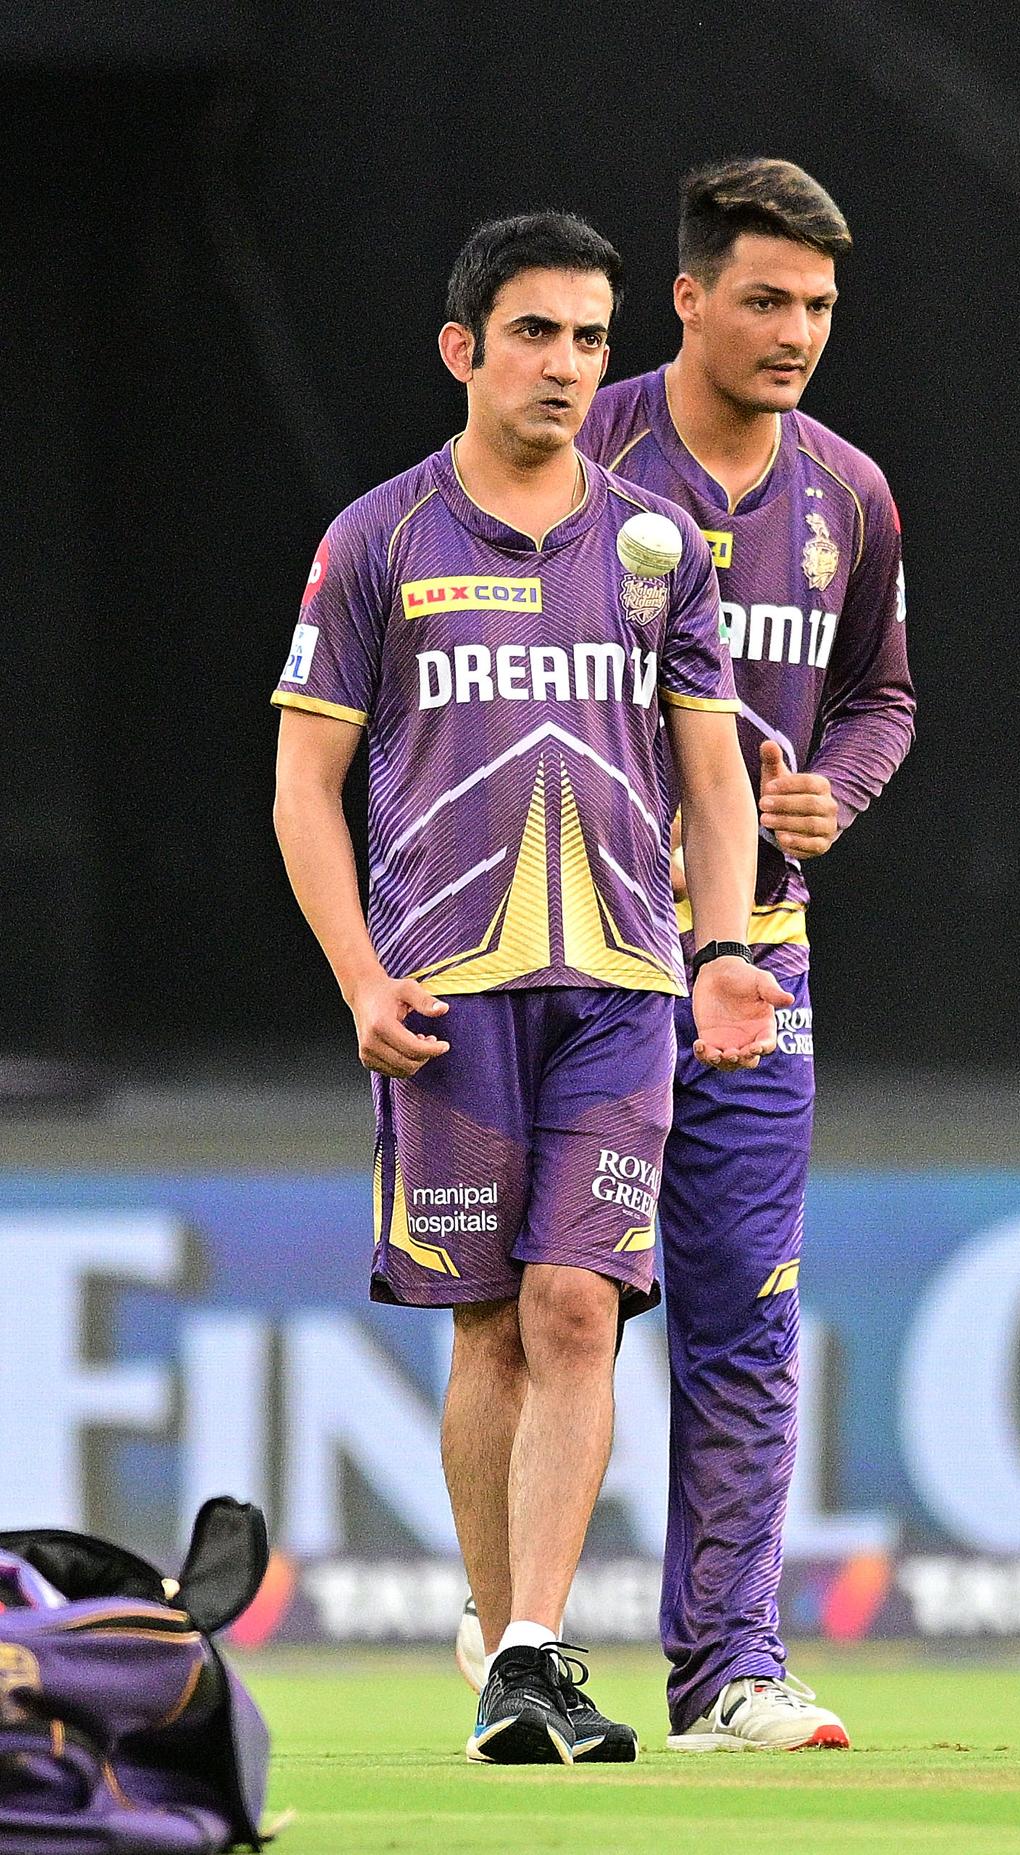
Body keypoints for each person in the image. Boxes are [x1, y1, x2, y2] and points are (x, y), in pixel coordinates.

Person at [271, 210, 787, 1766]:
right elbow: (305, 786)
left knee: (579, 1305)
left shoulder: (656, 549)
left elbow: (714, 771)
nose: (568, 366)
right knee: (488, 1323)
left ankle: (533, 1648)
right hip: (446, 991)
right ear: (464, 351)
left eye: (589, 338)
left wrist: (726, 947)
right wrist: (358, 976)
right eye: (537, 335)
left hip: (622, 985)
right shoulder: (379, 539)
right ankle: (509, 1655)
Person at [456, 159, 916, 1750]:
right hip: (567, 958)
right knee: (533, 1306)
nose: (798, 332)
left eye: (823, 307)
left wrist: (833, 790)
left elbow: (881, 697)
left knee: (743, 1311)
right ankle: (506, 1607)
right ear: (690, 299)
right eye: (769, 299)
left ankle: (727, 1673)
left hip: (752, 963)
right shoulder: (587, 446)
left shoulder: (849, 495)